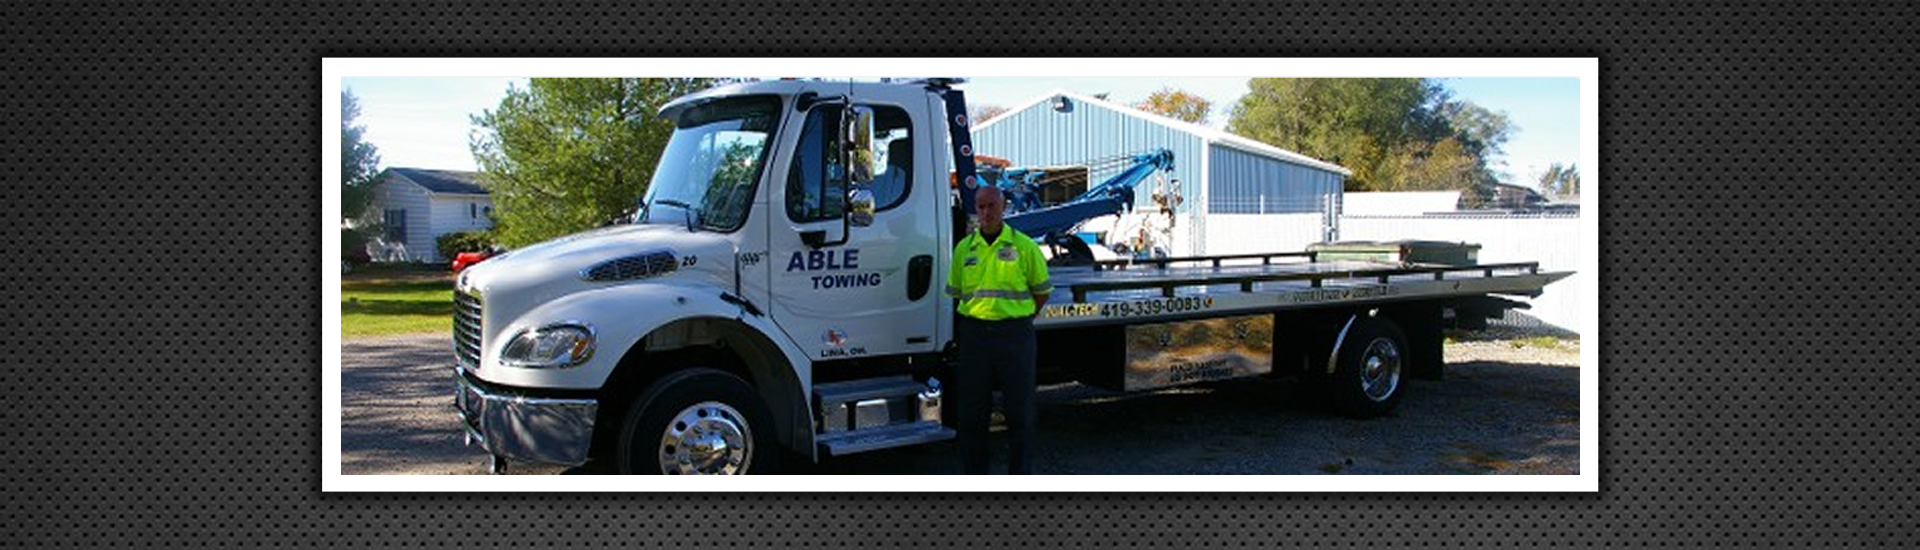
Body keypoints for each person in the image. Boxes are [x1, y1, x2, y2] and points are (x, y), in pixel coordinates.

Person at [945, 184, 1051, 474]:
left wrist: (1019, 318)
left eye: (992, 206)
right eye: (981, 207)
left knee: (1020, 413)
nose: (986, 212)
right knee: (972, 415)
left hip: (1014, 336)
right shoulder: (964, 249)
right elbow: (956, 294)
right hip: (975, 337)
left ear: (1003, 207)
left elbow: (1041, 292)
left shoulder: (1024, 246)